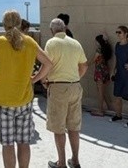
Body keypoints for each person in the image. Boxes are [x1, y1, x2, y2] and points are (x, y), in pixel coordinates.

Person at [0, 10, 52, 168]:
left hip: (4, 100)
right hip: (24, 99)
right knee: (24, 142)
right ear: (19, 23)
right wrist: (34, 79)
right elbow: (48, 63)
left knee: (8, 144)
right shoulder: (30, 42)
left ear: (4, 24)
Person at [42, 18, 88, 168]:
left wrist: (43, 79)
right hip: (75, 86)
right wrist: (75, 78)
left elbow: (47, 65)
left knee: (59, 127)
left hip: (58, 87)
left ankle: (61, 162)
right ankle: (75, 160)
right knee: (74, 126)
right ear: (65, 28)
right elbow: (84, 66)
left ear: (51, 30)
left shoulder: (51, 43)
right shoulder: (75, 43)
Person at [89, 34, 113, 116]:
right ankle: (108, 107)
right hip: (105, 70)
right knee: (103, 90)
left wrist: (86, 65)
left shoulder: (99, 50)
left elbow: (93, 60)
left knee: (100, 91)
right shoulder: (107, 49)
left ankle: (100, 110)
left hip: (99, 71)